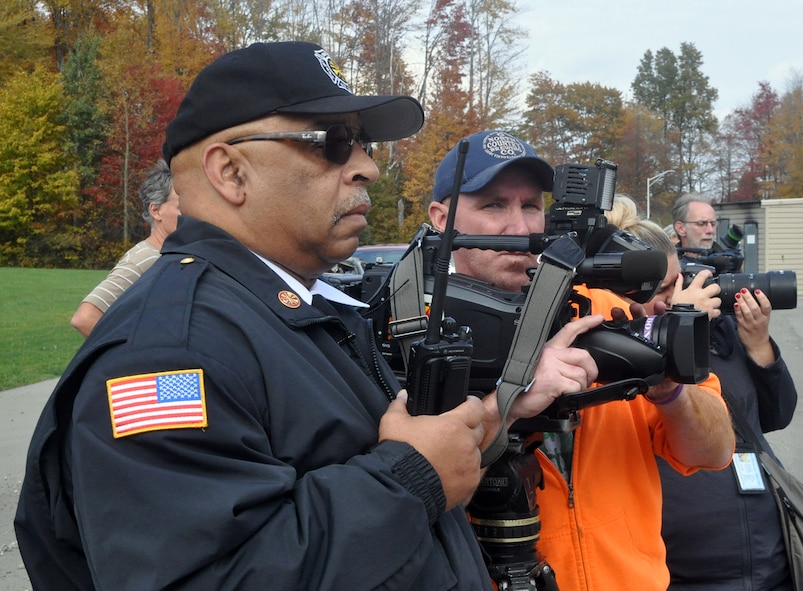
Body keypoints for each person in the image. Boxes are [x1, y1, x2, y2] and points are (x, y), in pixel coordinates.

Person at [15, 42, 601, 591]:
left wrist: (502, 410)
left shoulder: (293, 309)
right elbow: (200, 577)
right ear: (230, 173)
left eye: (365, 144)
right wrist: (409, 479)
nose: (368, 166)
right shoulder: (172, 349)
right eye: (333, 142)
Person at [427, 131, 735, 590]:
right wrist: (512, 398)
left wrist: (668, 389)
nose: (520, 228)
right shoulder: (414, 330)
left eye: (531, 206)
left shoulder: (611, 309)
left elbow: (714, 451)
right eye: (494, 206)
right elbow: (409, 492)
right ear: (442, 219)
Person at [611, 194, 798, 590]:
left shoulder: (718, 328)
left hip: (765, 551)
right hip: (683, 565)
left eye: (680, 281)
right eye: (664, 288)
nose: (678, 295)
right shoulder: (613, 354)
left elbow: (775, 417)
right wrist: (675, 330)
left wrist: (759, 344)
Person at [70, 159, 180, 337]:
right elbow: (85, 318)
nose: (190, 213)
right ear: (156, 211)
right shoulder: (144, 259)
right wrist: (136, 356)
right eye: (181, 206)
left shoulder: (171, 255)